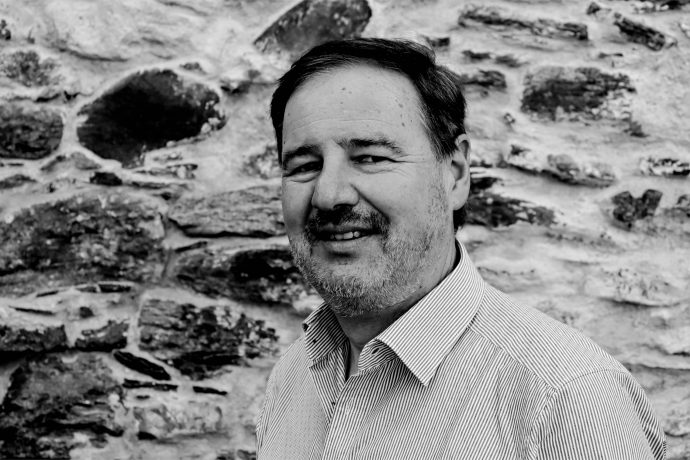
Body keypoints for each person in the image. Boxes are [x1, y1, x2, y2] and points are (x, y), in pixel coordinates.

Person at [256, 38, 666, 459]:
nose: (329, 195)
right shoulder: (294, 375)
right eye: (305, 166)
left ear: (455, 174)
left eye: (370, 158)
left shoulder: (565, 398)